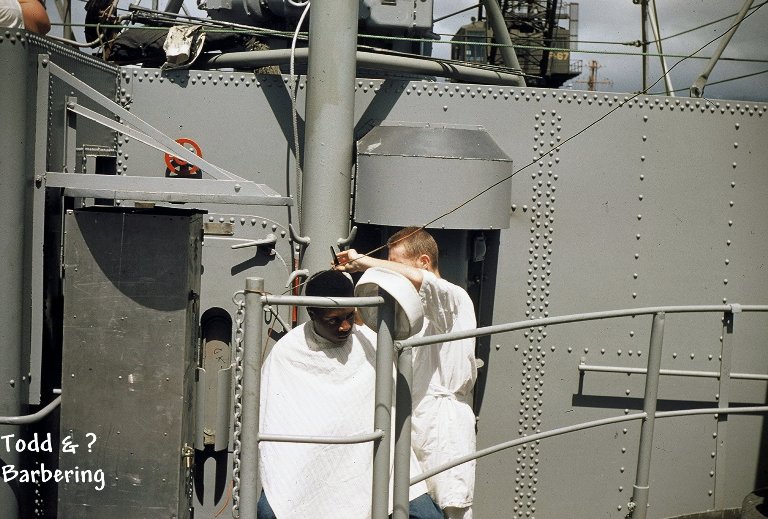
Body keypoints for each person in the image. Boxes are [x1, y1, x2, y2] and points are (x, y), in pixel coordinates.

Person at [257, 269, 443, 519]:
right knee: (269, 512)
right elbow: (276, 426)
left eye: (349, 316)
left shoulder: (371, 342)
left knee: (427, 516)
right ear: (312, 314)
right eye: (334, 320)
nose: (345, 327)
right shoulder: (288, 353)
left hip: (372, 460)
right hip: (309, 464)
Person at [335, 227, 478, 519]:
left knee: (451, 509)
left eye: (396, 264)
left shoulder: (454, 298)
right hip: (411, 424)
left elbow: (428, 285)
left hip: (443, 427)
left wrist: (363, 261)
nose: (391, 273)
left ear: (423, 262)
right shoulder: (411, 311)